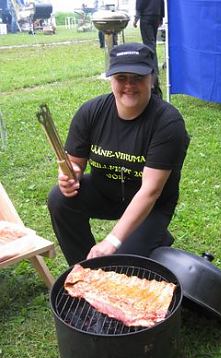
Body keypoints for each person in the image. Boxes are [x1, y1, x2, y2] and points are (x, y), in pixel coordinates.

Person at [47, 42, 189, 266]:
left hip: (151, 206)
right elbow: (74, 164)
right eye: (121, 77)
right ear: (111, 79)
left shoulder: (168, 123)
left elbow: (151, 191)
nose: (129, 85)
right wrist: (68, 177)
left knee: (121, 264)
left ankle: (153, 235)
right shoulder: (91, 112)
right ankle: (85, 269)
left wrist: (112, 240)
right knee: (59, 199)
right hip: (106, 192)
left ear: (151, 78)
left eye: (138, 77)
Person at [133, 0, 165, 73]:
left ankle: (153, 69)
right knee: (152, 43)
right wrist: (161, 16)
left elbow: (140, 2)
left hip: (146, 15)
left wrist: (136, 17)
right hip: (156, 14)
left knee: (149, 44)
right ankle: (152, 67)